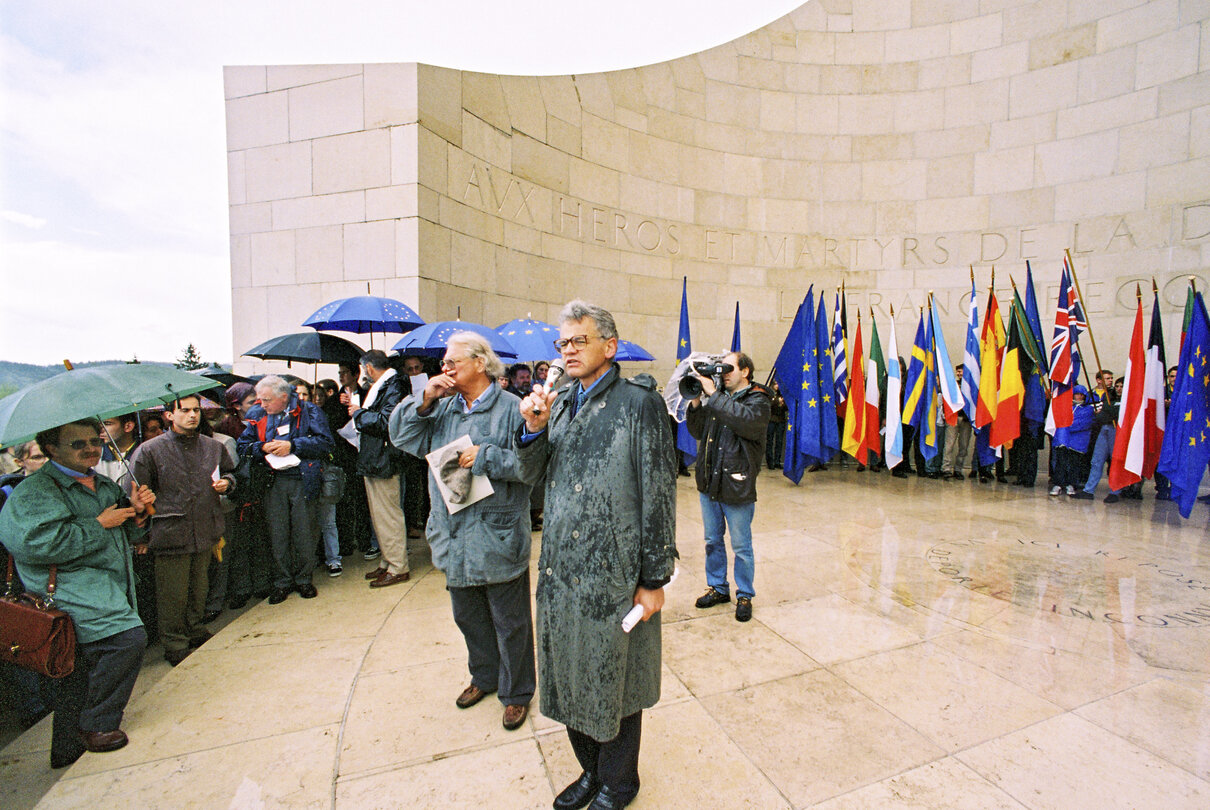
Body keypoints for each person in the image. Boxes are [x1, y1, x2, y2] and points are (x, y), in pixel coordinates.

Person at [517, 300, 677, 810]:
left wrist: (653, 579)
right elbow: (530, 475)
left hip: (615, 573)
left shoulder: (639, 404)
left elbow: (659, 495)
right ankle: (590, 770)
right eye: (561, 342)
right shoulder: (559, 402)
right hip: (562, 571)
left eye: (577, 341)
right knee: (567, 673)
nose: (567, 350)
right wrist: (534, 430)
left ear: (609, 346)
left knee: (616, 678)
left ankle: (619, 781)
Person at [391, 332, 536, 731]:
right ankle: (484, 676)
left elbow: (531, 468)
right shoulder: (443, 408)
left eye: (453, 362)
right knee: (468, 617)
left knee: (511, 622)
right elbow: (401, 438)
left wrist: (485, 458)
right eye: (444, 363)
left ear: (479, 362)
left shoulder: (511, 409)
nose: (446, 368)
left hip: (497, 533)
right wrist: (424, 400)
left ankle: (517, 691)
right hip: (454, 533)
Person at [0, 419, 155, 768]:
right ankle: (98, 725)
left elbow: (126, 534)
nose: (90, 448)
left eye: (94, 440)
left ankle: (67, 751)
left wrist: (138, 513)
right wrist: (97, 525)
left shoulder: (100, 483)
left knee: (77, 670)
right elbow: (32, 544)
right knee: (126, 639)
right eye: (77, 444)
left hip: (108, 585)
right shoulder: (34, 492)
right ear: (50, 448)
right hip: (68, 589)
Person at [130, 396, 236, 665]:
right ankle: (174, 643)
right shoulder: (149, 450)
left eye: (196, 410)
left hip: (205, 526)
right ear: (169, 415)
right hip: (170, 531)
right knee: (172, 593)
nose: (192, 415)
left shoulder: (213, 447)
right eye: (185, 410)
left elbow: (231, 474)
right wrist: (142, 525)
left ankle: (195, 629)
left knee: (199, 588)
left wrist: (227, 482)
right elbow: (133, 495)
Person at [685, 352, 770, 623]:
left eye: (729, 368)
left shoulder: (758, 399)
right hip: (710, 480)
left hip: (737, 482)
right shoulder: (717, 397)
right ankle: (718, 587)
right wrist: (697, 401)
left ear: (745, 371)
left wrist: (714, 395)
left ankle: (744, 594)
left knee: (741, 545)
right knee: (712, 541)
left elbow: (745, 422)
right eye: (721, 369)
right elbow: (698, 432)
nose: (723, 373)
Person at [237, 375, 334, 603]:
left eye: (267, 400)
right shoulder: (257, 414)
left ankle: (304, 579)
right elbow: (243, 446)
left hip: (302, 479)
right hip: (272, 481)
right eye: (260, 400)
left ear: (284, 397)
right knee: (277, 533)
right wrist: (263, 447)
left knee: (304, 532)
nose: (263, 404)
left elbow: (326, 443)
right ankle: (282, 581)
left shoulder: (309, 411)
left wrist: (293, 445)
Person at [346, 350, 410, 587]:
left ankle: (398, 566)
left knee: (388, 515)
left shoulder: (394, 385)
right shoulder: (386, 385)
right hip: (375, 457)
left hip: (384, 458)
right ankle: (388, 560)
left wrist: (358, 413)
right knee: (379, 515)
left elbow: (386, 421)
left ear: (368, 368)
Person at [1050, 385, 1093, 497]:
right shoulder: (1066, 406)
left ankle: (1071, 484)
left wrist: (1066, 425)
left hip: (1078, 441)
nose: (1078, 397)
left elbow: (1082, 423)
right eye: (1076, 394)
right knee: (1061, 462)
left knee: (1074, 464)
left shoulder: (1088, 409)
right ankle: (1058, 484)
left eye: (1081, 395)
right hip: (1063, 439)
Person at [765, 380, 787, 470]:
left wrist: (782, 403)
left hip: (780, 420)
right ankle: (770, 462)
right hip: (771, 420)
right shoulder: (769, 395)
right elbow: (768, 405)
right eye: (775, 384)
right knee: (769, 441)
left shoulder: (782, 395)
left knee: (779, 441)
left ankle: (777, 461)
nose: (777, 386)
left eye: (778, 384)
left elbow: (786, 408)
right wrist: (777, 402)